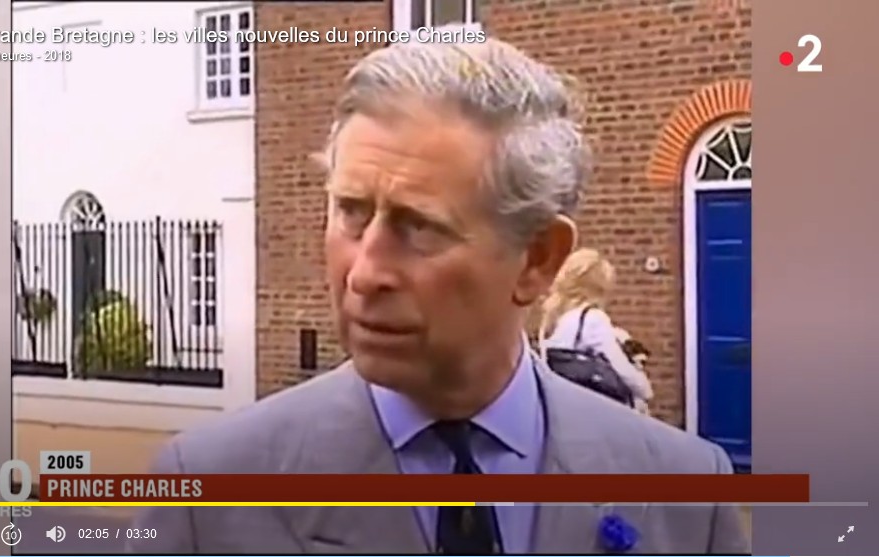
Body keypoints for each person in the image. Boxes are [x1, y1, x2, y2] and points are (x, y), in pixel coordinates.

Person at [127, 37, 750, 554]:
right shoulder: (205, 496)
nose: (365, 273)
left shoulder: (687, 494)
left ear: (537, 259)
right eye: (350, 212)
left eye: (418, 226)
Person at [538, 248, 655, 413]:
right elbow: (620, 367)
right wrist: (645, 390)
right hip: (593, 409)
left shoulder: (554, 319)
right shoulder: (593, 318)